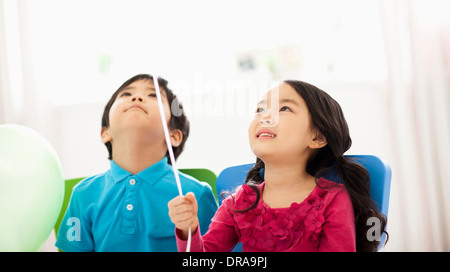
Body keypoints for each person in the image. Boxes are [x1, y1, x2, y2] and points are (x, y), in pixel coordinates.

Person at [168, 80, 388, 252]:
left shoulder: (332, 200)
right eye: (259, 110)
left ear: (318, 137)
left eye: (284, 109)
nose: (265, 117)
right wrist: (188, 230)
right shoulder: (238, 203)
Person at [55, 74, 218, 252]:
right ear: (105, 133)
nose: (137, 98)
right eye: (126, 95)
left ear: (173, 135)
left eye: (153, 95)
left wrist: (190, 232)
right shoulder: (83, 194)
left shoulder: (197, 195)